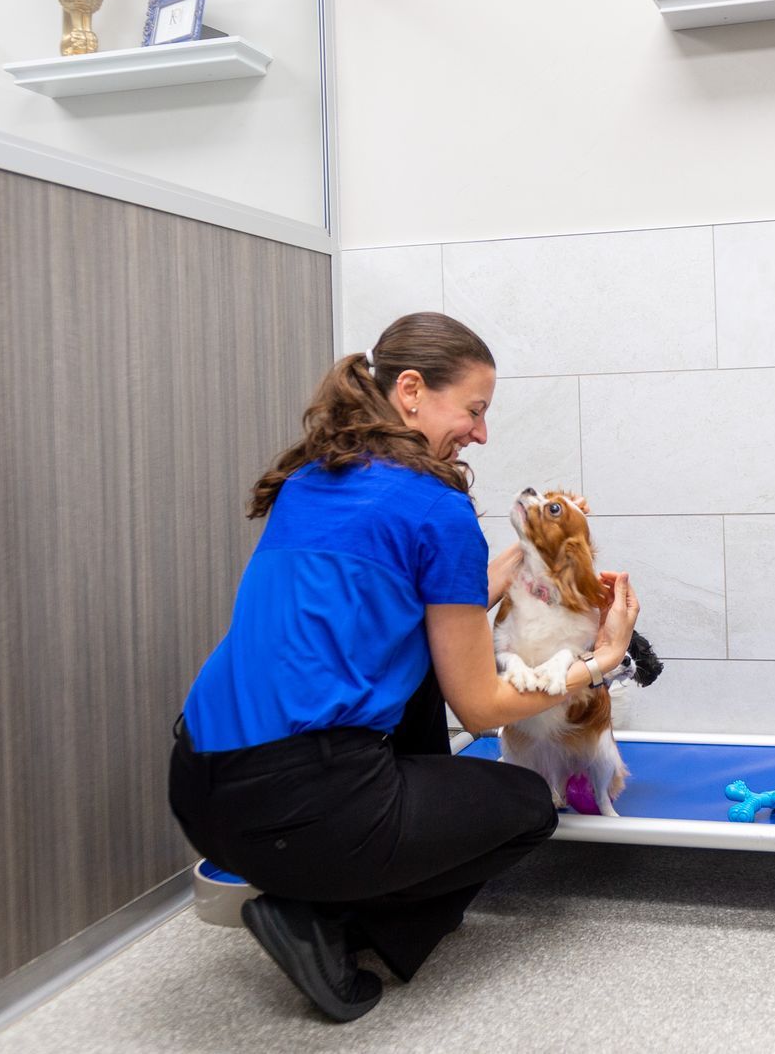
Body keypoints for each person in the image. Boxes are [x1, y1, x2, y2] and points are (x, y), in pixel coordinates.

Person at [168, 311, 640, 1022]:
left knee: (423, 661)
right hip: (299, 810)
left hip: (200, 789)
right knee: (524, 811)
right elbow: (479, 708)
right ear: (412, 390)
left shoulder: (310, 480)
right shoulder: (436, 507)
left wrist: (520, 570)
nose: (481, 433)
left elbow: (385, 610)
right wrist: (601, 660)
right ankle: (325, 922)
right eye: (475, 410)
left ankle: (325, 883)